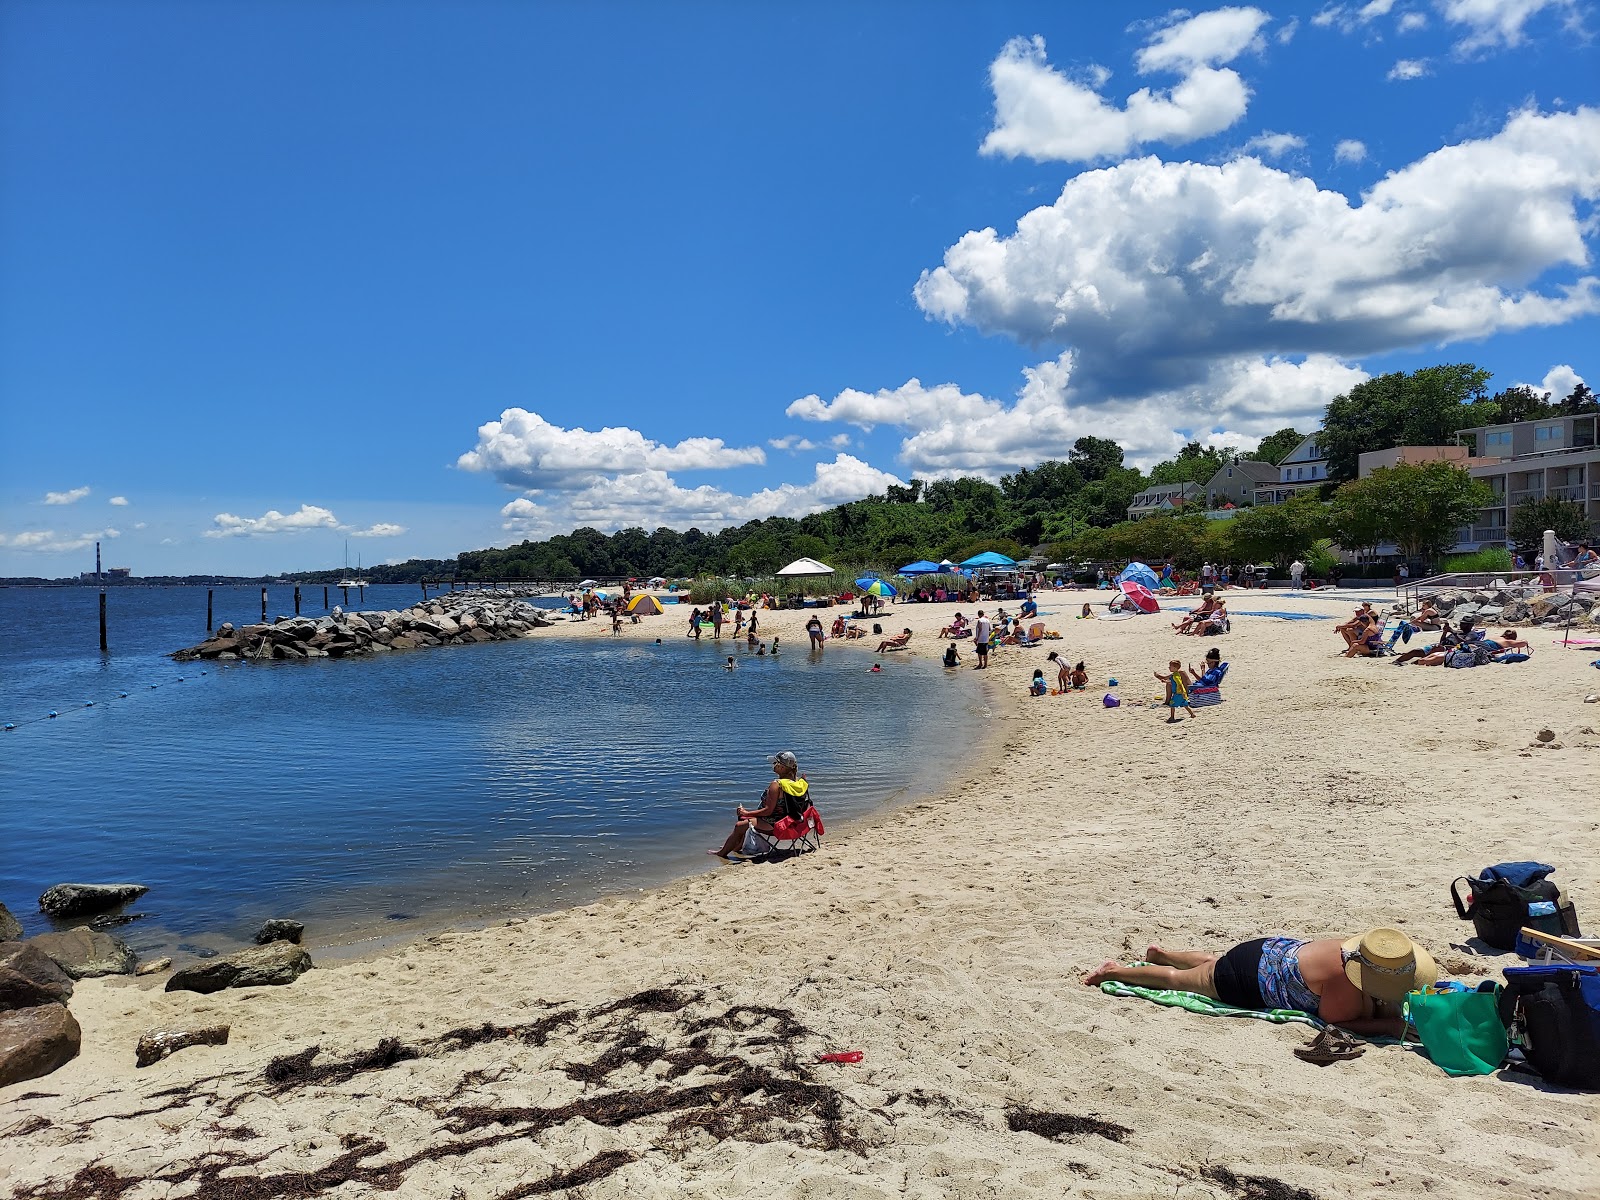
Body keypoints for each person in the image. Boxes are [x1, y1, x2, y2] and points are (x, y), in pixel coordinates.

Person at [1084, 928, 1436, 1037]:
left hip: (1269, 949)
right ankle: (1113, 971)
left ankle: (1162, 953)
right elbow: (1336, 1021)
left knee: (1213, 963)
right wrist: (1390, 1024)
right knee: (1183, 982)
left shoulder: (1354, 950)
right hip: (1249, 977)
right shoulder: (1345, 981)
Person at [710, 750, 809, 858]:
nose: (773, 765)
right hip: (791, 822)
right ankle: (735, 847)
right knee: (743, 818)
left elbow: (768, 811)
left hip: (776, 824)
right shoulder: (799, 783)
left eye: (775, 763)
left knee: (740, 825)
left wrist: (747, 813)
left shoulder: (776, 785)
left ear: (782, 767)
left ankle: (722, 853)